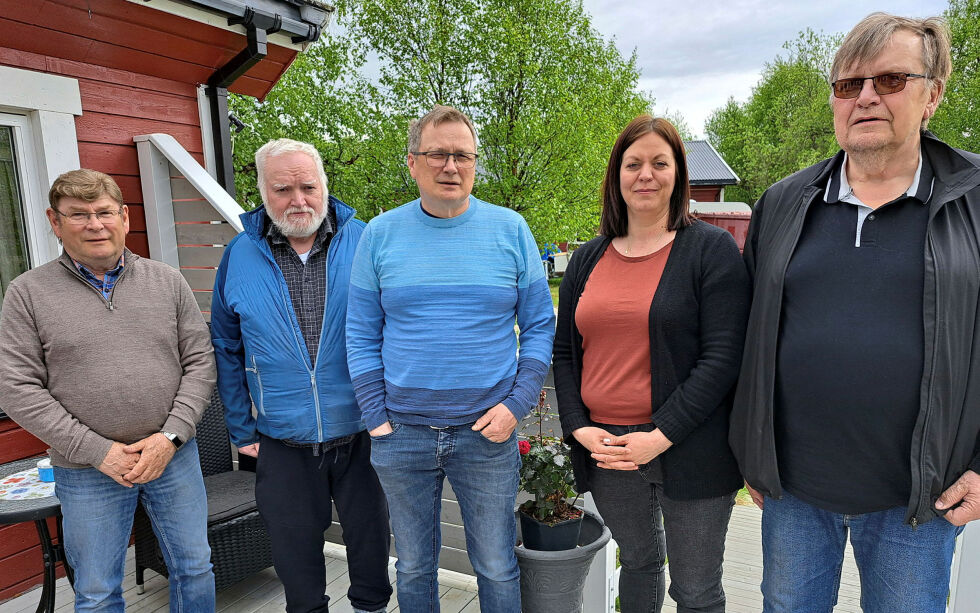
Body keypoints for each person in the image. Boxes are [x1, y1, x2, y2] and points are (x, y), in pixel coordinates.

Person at [729, 13, 980, 613]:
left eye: (890, 80)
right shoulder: (785, 203)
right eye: (848, 85)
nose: (865, 98)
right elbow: (746, 336)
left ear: (932, 96)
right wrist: (751, 450)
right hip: (792, 495)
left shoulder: (974, 201)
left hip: (919, 502)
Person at [346, 105, 555, 613]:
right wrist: (375, 417)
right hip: (403, 435)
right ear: (413, 162)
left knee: (496, 564)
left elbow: (540, 325)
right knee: (414, 566)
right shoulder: (380, 234)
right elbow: (359, 332)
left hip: (487, 433)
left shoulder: (510, 230)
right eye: (437, 154)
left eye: (462, 155)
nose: (450, 166)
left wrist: (516, 406)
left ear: (475, 164)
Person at [553, 116, 749, 613]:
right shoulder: (588, 258)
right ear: (616, 175)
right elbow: (564, 353)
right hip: (609, 448)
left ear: (678, 175)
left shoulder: (710, 250)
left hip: (689, 447)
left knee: (696, 589)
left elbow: (723, 357)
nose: (646, 174)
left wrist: (659, 435)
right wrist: (579, 427)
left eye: (659, 163)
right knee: (637, 566)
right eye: (633, 163)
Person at [0, 169, 216, 612]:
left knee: (194, 568)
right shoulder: (27, 293)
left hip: (171, 455)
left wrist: (171, 436)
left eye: (104, 212)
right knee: (97, 590)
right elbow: (17, 388)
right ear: (54, 222)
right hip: (87, 469)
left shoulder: (167, 281)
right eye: (78, 215)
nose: (95, 225)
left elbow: (200, 362)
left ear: (125, 217)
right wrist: (98, 451)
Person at [210, 139, 392, 613]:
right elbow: (226, 346)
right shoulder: (239, 254)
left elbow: (400, 328)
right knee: (296, 565)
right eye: (283, 188)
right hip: (281, 440)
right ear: (262, 191)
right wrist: (239, 427)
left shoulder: (366, 241)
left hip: (364, 433)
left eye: (308, 186)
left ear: (325, 186)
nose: (298, 200)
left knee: (372, 553)